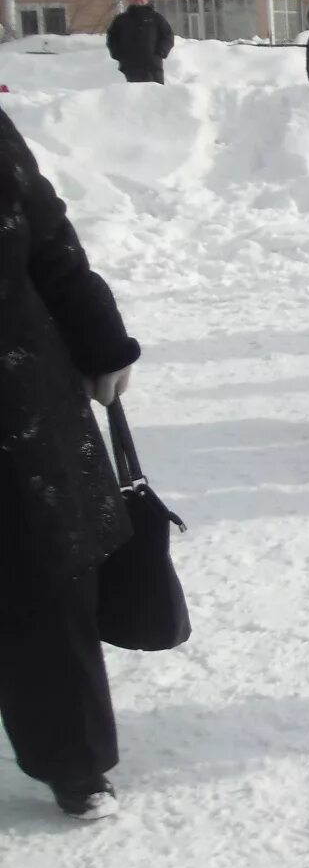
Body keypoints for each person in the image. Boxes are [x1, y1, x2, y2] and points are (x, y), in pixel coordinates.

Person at [0, 107, 139, 822]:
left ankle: (73, 761)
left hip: (15, 390)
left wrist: (100, 338)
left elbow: (48, 236)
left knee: (43, 578)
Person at [105, 0, 175, 84]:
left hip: (152, 68)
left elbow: (168, 36)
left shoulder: (156, 18)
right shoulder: (121, 20)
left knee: (155, 96)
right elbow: (112, 38)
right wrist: (118, 54)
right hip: (128, 67)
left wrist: (160, 53)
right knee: (131, 96)